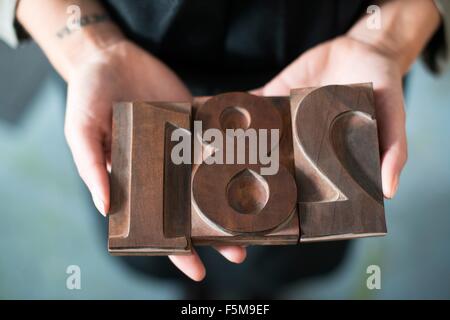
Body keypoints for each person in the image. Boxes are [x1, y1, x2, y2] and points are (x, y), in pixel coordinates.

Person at [1, 0, 446, 297]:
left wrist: (386, 39)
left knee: (295, 256)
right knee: (157, 251)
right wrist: (87, 47)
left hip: (327, 75)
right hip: (128, 64)